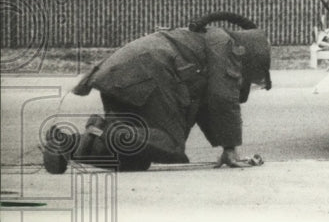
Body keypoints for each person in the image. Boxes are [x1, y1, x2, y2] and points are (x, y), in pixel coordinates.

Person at [43, 12, 271, 173]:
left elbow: (207, 106)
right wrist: (231, 151)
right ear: (253, 56)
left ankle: (65, 144)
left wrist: (226, 147)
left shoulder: (208, 41)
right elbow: (223, 99)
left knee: (134, 158)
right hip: (143, 72)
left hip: (124, 71)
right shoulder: (226, 46)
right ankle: (72, 141)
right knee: (167, 144)